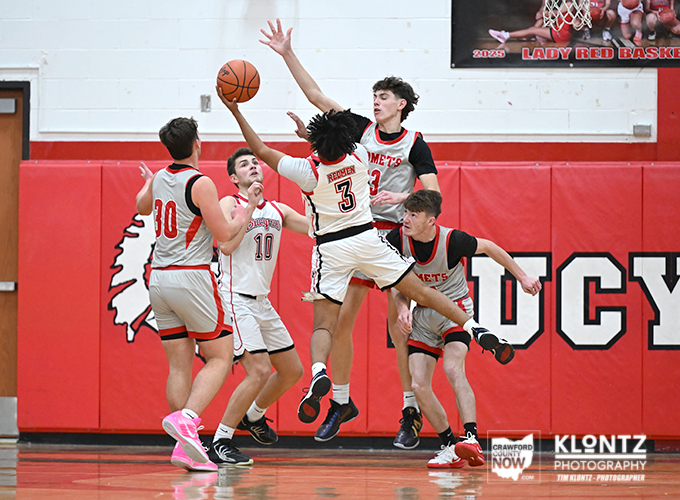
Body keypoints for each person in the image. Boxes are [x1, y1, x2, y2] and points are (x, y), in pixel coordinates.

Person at [218, 89, 508, 445]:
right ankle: (474, 326)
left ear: (317, 146)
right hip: (369, 239)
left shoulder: (308, 171)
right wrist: (317, 136)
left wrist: (236, 112)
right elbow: (340, 136)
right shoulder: (360, 157)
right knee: (421, 292)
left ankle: (320, 371)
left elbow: (261, 149)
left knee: (326, 323)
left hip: (332, 248)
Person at [260, 18, 446, 448]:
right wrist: (287, 53)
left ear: (401, 104)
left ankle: (410, 410)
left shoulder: (414, 142)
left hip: (393, 235)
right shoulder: (359, 129)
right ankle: (340, 402)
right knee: (341, 321)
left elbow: (434, 194)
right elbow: (315, 96)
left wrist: (403, 198)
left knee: (400, 326)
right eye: (374, 96)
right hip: (355, 233)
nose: (376, 102)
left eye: (384, 97)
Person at [135, 117, 262, 472]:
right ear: (197, 144)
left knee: (179, 364)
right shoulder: (200, 182)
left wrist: (149, 183)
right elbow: (224, 234)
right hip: (191, 277)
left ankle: (184, 449)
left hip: (159, 280)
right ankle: (188, 419)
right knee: (221, 356)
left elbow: (142, 206)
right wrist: (246, 211)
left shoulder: (160, 178)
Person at [388, 190, 541, 468]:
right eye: (405, 213)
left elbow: (490, 247)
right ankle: (450, 446)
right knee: (418, 384)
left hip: (455, 311)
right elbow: (396, 284)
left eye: (413, 215)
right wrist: (401, 308)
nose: (406, 219)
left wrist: (522, 277)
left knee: (452, 368)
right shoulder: (397, 239)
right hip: (423, 316)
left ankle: (471, 438)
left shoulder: (453, 240)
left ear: (431, 221)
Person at [206, 146, 309, 466]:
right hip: (235, 298)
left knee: (292, 371)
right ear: (233, 177)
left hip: (262, 302)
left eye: (255, 162)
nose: (252, 166)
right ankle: (220, 441)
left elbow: (316, 229)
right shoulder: (229, 203)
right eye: (244, 164)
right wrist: (248, 209)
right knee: (260, 370)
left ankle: (252, 416)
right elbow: (225, 246)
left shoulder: (278, 210)